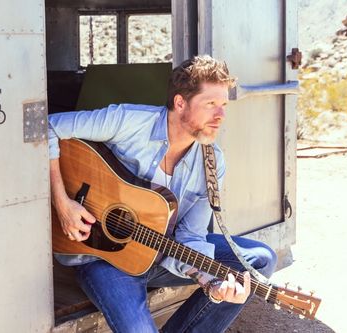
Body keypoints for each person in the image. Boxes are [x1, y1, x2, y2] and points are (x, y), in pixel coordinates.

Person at [48, 55, 277, 333]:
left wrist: (210, 283)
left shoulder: (212, 163)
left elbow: (190, 236)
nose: (221, 116)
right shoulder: (128, 121)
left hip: (162, 251)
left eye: (224, 105)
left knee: (259, 261)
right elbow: (48, 127)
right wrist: (63, 203)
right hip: (104, 256)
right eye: (211, 104)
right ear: (180, 102)